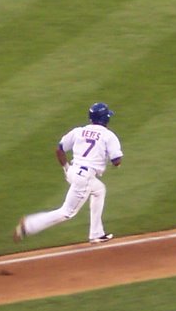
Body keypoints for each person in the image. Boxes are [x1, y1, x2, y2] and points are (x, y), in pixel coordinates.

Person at [14, 102, 123, 245]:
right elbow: (117, 161)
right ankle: (28, 225)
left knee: (99, 190)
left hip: (73, 171)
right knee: (66, 212)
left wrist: (66, 169)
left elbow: (60, 149)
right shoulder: (109, 136)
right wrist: (111, 159)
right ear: (105, 119)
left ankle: (97, 233)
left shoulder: (78, 131)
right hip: (85, 177)